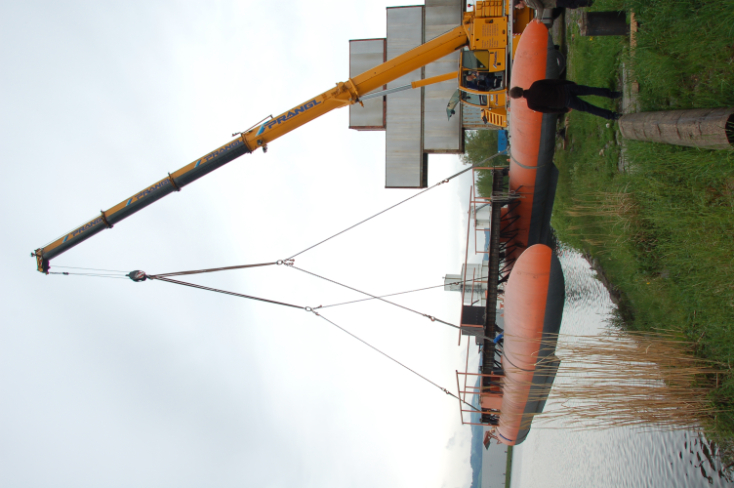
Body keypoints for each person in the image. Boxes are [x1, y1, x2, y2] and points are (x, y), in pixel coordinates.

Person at [509, 79, 622, 120]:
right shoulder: (535, 84)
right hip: (567, 89)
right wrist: (570, 83)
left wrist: (564, 110)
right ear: (520, 88)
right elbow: (554, 81)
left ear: (518, 97)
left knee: (589, 108)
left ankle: (612, 116)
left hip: (566, 101)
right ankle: (613, 94)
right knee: (590, 90)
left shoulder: (531, 104)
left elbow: (549, 110)